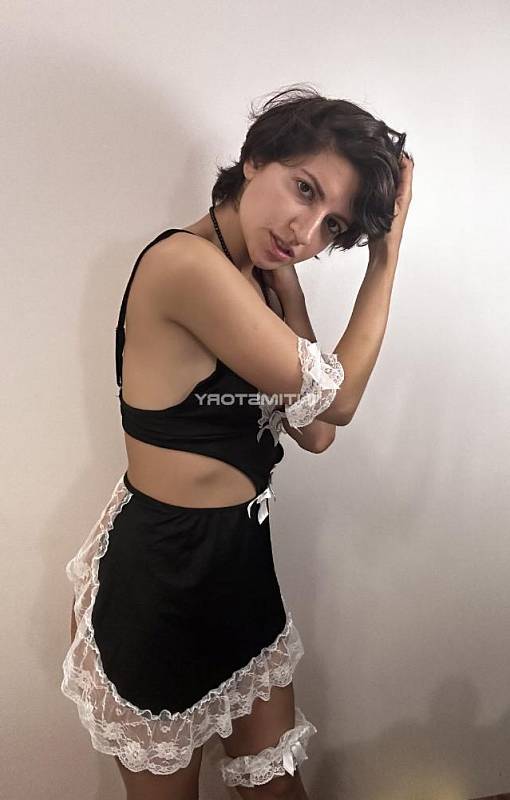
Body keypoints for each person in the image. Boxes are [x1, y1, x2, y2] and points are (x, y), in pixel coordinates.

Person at [61, 84, 414, 800]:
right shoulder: (186, 266)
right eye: (304, 188)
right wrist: (386, 256)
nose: (305, 231)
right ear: (255, 160)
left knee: (275, 789)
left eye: (333, 224)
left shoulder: (254, 280)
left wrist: (291, 294)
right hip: (160, 581)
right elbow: (339, 402)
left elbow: (314, 432)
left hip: (240, 567)